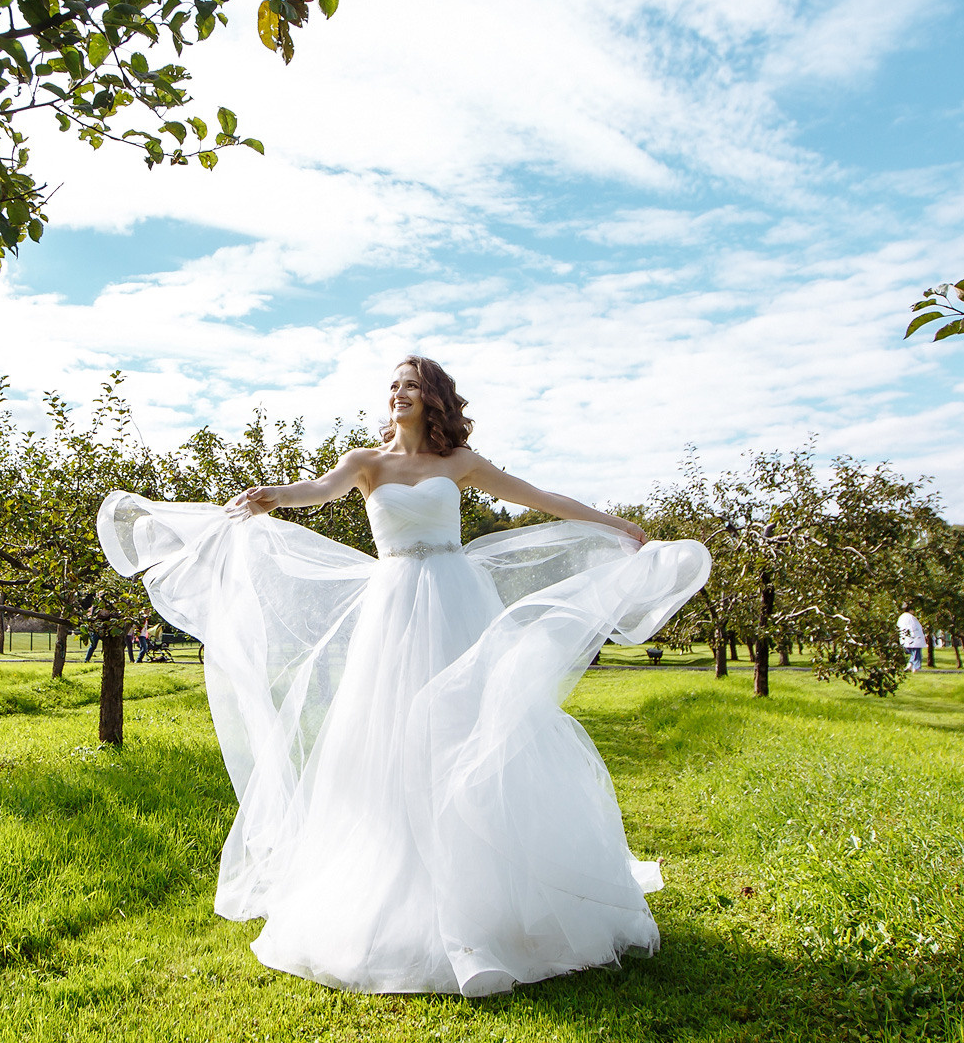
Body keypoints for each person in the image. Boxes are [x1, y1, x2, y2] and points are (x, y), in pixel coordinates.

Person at [98, 355, 710, 997]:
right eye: (392, 385)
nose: (398, 394)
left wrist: (612, 525)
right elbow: (315, 492)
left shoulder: (460, 464)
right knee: (389, 740)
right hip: (392, 609)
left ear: (434, 398)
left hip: (456, 602)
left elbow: (540, 499)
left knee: (470, 732)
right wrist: (271, 497)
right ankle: (400, 895)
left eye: (411, 385)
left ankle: (497, 894)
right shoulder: (366, 463)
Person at [898, 606, 926, 672]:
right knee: (916, 653)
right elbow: (914, 627)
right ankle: (916, 668)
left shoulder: (902, 617)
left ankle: (910, 665)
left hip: (906, 639)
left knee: (913, 653)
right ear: (910, 610)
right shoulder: (910, 617)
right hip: (914, 639)